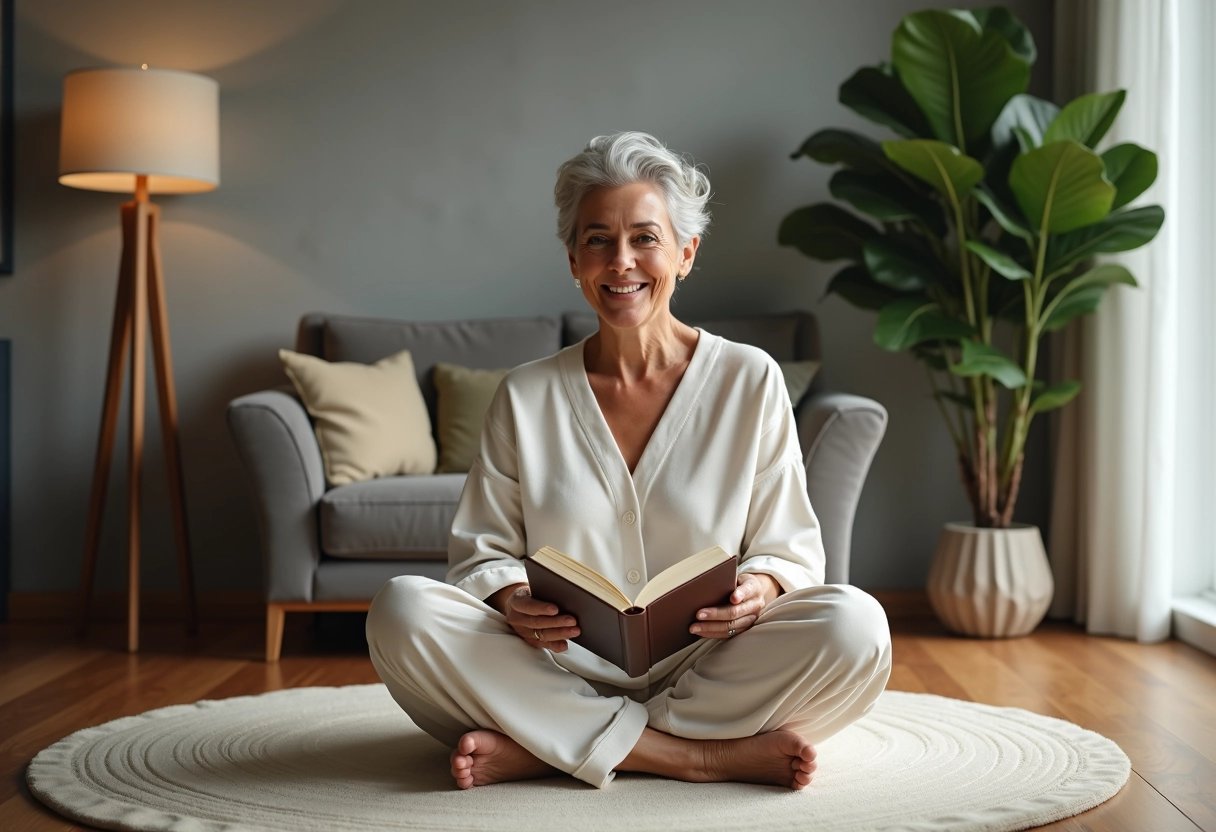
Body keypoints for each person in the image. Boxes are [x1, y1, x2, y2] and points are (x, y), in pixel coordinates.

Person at [365, 131, 892, 791]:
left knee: (856, 626)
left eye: (645, 238)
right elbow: (481, 553)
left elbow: (788, 546)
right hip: (554, 668)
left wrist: (761, 588)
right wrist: (511, 596)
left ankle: (552, 745)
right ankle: (694, 755)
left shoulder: (750, 379)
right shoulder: (525, 394)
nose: (621, 262)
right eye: (598, 240)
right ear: (573, 259)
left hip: (715, 664)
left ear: (685, 253)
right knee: (402, 611)